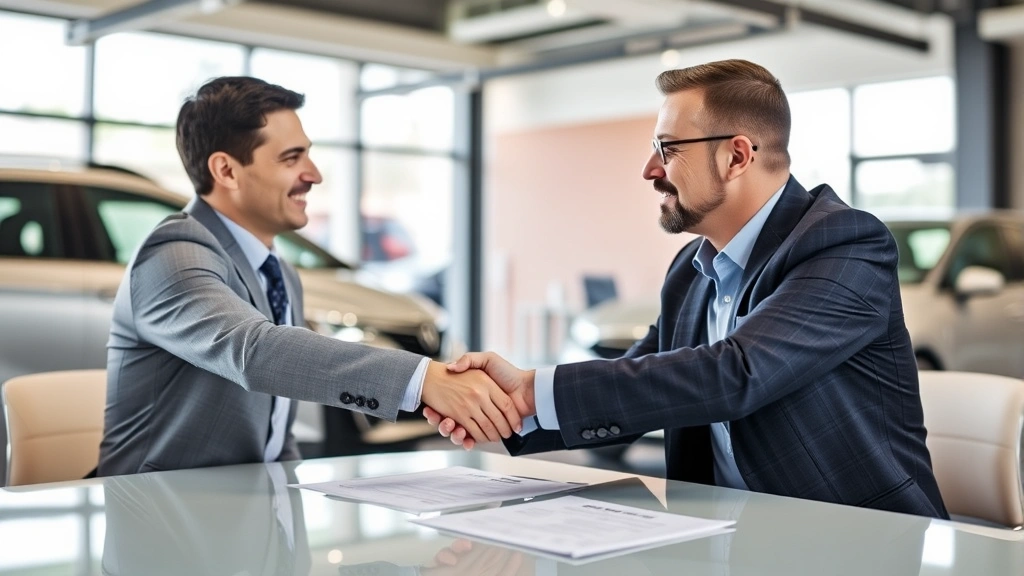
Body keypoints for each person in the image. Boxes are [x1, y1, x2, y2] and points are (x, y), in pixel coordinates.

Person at [425, 59, 948, 519]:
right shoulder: (690, 269)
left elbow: (738, 373)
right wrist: (507, 412)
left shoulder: (846, 243)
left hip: (860, 542)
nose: (650, 169)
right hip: (726, 536)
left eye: (667, 148)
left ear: (737, 156)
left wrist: (533, 387)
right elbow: (639, 386)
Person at [97, 77, 521, 477]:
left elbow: (275, 433)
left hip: (247, 517)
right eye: (291, 158)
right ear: (226, 171)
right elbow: (254, 353)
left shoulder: (279, 273)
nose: (314, 174)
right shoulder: (173, 252)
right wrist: (422, 379)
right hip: (162, 524)